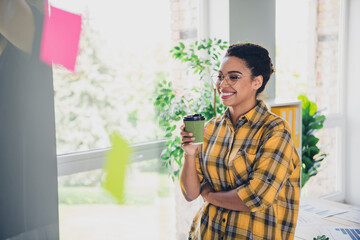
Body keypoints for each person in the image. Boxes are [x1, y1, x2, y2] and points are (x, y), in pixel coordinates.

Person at [180, 43, 301, 239]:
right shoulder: (211, 129)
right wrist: (190, 153)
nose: (222, 84)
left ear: (257, 82)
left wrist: (209, 195)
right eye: (220, 76)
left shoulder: (275, 131)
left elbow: (256, 197)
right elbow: (191, 194)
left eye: (233, 77)